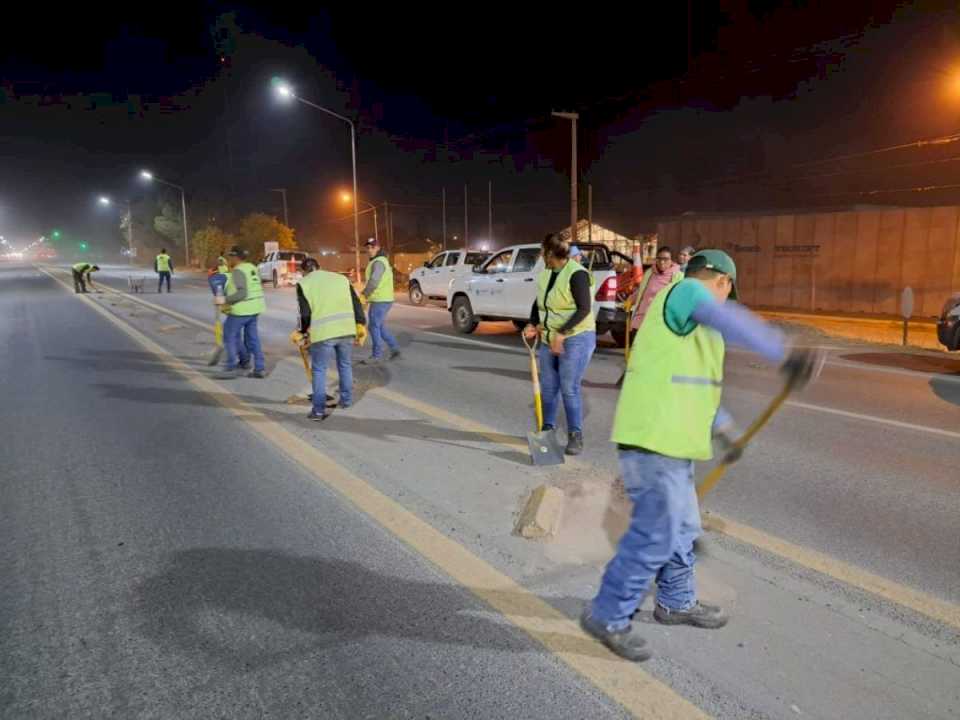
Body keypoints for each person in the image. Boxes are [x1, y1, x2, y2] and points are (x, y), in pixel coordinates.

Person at [580, 250, 820, 662]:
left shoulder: (698, 332)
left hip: (674, 447)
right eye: (728, 292)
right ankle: (607, 614)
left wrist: (727, 432)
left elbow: (697, 388)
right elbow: (729, 318)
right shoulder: (685, 292)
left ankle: (675, 601)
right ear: (722, 281)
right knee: (655, 535)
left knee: (684, 528)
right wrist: (783, 350)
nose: (726, 303)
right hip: (652, 442)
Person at [522, 233, 596, 456]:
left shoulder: (577, 274)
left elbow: (584, 309)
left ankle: (575, 435)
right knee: (548, 388)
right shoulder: (546, 273)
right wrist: (532, 324)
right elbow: (539, 303)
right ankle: (547, 431)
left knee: (569, 388)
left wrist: (562, 334)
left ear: (550, 253)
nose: (541, 255)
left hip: (576, 338)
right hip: (548, 337)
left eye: (542, 251)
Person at [296, 257, 367, 421]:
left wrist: (302, 331)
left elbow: (304, 313)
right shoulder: (341, 279)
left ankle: (319, 411)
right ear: (320, 267)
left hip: (323, 332)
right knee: (345, 365)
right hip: (346, 328)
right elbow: (356, 303)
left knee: (319, 370)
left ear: (304, 271)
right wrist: (360, 323)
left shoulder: (304, 283)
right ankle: (346, 401)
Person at [217, 246, 266, 380]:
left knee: (229, 335)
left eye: (231, 257)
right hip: (255, 308)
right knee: (253, 339)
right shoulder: (251, 267)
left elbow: (242, 293)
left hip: (241, 310)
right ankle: (258, 368)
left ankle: (231, 366)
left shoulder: (238, 271)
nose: (229, 259)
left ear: (235, 257)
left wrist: (224, 299)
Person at [361, 237, 400, 364]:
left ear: (378, 247)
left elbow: (374, 281)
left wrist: (364, 295)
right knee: (379, 326)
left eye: (372, 247)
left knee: (373, 327)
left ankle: (376, 355)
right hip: (383, 298)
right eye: (368, 247)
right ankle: (394, 348)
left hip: (380, 299)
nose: (370, 249)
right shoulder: (379, 261)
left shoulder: (378, 262)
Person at [628, 247, 684, 332]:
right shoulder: (649, 273)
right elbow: (642, 291)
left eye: (665, 259)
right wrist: (631, 299)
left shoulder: (678, 276)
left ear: (671, 260)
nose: (662, 262)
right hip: (641, 320)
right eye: (659, 258)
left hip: (661, 323)